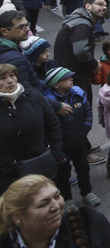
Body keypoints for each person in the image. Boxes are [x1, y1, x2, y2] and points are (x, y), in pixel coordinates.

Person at [0, 175, 110, 247]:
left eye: (57, 196)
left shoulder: (89, 222)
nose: (56, 206)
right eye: (43, 204)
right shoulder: (5, 241)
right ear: (17, 217)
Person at [0, 63, 63, 194]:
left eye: (12, 75)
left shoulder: (34, 97)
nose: (10, 81)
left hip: (41, 165)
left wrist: (55, 150)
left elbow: (52, 124)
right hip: (9, 176)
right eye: (2, 78)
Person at [41, 67, 99, 210]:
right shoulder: (49, 102)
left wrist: (85, 128)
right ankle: (66, 199)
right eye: (67, 78)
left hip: (78, 141)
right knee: (63, 174)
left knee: (83, 169)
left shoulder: (78, 93)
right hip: (61, 146)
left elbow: (87, 111)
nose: (71, 79)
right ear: (56, 84)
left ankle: (87, 192)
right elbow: (46, 125)